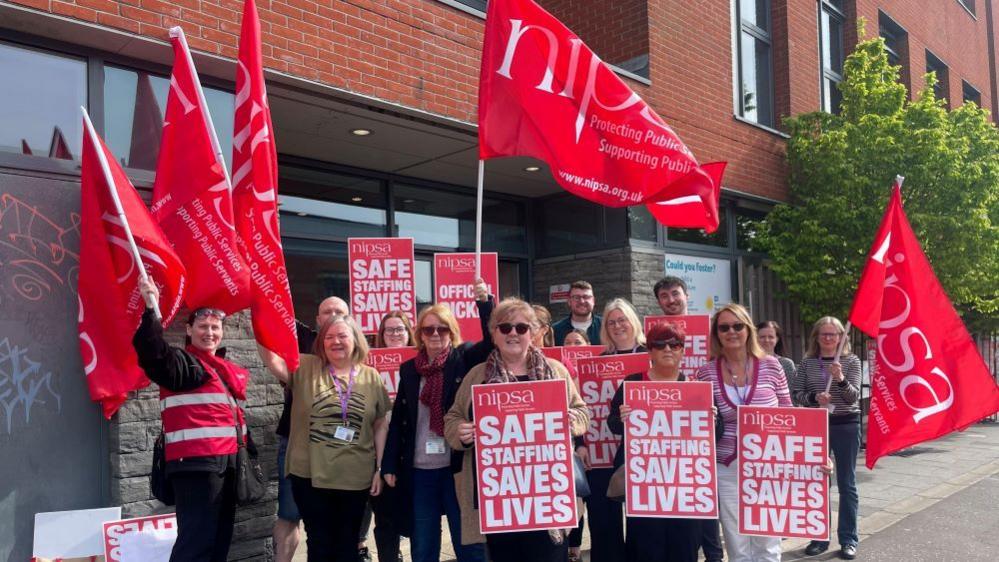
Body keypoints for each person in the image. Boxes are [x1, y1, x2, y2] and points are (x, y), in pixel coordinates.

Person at [443, 298, 590, 561]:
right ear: (494, 333)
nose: (513, 333)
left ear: (533, 333)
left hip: (548, 495)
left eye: (521, 328)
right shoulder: (478, 375)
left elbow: (582, 412)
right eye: (505, 327)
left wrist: (571, 419)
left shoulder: (555, 372)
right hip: (499, 497)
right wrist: (462, 432)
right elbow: (452, 418)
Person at [132, 278, 247, 562]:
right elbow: (152, 353)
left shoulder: (223, 370)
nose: (209, 332)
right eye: (203, 327)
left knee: (218, 543)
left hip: (226, 465)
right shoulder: (182, 364)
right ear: (189, 330)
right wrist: (150, 308)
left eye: (215, 327)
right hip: (197, 467)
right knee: (195, 546)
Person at [259, 314, 390, 562]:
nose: (336, 341)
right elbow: (271, 359)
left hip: (355, 476)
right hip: (309, 475)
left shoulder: (370, 376)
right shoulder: (306, 366)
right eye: (329, 337)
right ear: (321, 342)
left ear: (355, 339)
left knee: (347, 544)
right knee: (320, 543)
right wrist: (260, 316)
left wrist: (380, 468)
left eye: (342, 335)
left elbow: (380, 424)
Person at [381, 281, 492, 562]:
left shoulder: (464, 358)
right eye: (428, 329)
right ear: (419, 334)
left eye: (441, 328)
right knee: (423, 546)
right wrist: (390, 463)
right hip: (420, 471)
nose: (434, 334)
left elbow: (491, 343)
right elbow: (399, 421)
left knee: (468, 545)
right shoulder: (409, 369)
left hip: (457, 468)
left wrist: (485, 303)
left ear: (451, 332)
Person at [694, 303, 793, 562]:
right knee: (736, 543)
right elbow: (699, 426)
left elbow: (789, 416)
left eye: (738, 326)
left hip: (769, 466)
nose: (731, 331)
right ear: (716, 334)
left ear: (748, 329)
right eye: (724, 327)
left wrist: (813, 458)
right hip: (727, 467)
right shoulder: (705, 373)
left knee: (768, 543)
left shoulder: (772, 366)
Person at [608, 322, 710, 562]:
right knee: (646, 548)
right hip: (645, 483)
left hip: (685, 485)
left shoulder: (696, 388)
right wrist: (621, 418)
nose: (668, 349)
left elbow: (714, 434)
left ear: (682, 350)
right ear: (650, 351)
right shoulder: (632, 383)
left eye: (674, 344)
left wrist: (712, 421)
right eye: (660, 344)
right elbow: (612, 424)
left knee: (684, 547)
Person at [653, 277, 724, 562]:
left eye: (675, 293)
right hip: (667, 433)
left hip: (702, 421)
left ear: (686, 295)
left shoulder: (710, 331)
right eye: (664, 296)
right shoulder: (652, 330)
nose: (671, 299)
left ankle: (714, 554)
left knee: (706, 498)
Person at [275, 296, 351, 562]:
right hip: (298, 443)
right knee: (289, 513)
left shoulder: (359, 352)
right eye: (326, 311)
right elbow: (274, 318)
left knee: (337, 517)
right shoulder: (300, 343)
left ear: (349, 318)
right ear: (317, 319)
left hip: (343, 447)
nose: (332, 315)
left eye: (338, 311)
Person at [577, 298, 647, 562]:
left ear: (633, 321)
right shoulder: (595, 364)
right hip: (600, 452)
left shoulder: (651, 356)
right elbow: (583, 406)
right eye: (611, 322)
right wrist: (581, 442)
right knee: (604, 526)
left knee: (642, 526)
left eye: (622, 319)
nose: (617, 326)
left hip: (641, 454)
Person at [793, 317, 862, 560]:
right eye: (824, 334)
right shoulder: (807, 363)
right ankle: (819, 537)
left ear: (842, 337)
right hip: (817, 425)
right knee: (818, 482)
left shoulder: (850, 361)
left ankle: (848, 539)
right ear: (816, 337)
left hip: (846, 425)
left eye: (833, 334)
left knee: (847, 483)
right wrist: (814, 399)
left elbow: (853, 397)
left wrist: (841, 379)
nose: (829, 339)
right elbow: (797, 394)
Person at [359, 311, 417, 562]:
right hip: (378, 449)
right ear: (380, 335)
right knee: (385, 518)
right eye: (389, 330)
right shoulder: (367, 366)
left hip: (413, 450)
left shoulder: (419, 363)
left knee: (417, 516)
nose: (394, 334)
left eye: (400, 329)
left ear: (408, 332)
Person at [552, 280, 602, 345]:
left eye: (586, 297)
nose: (582, 301)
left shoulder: (605, 326)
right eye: (576, 297)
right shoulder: (555, 330)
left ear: (593, 301)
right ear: (569, 301)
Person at [757, 320, 797, 395]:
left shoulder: (786, 364)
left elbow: (791, 395)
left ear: (777, 339)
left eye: (771, 337)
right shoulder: (747, 363)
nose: (766, 340)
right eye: (762, 337)